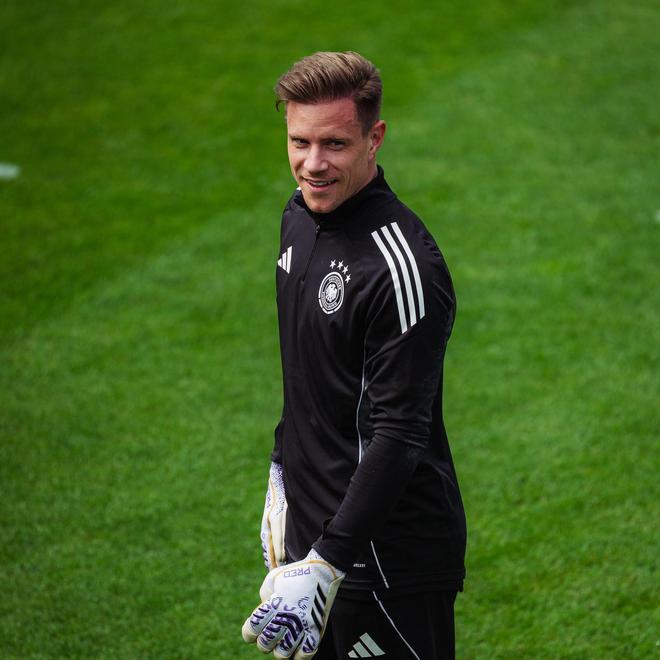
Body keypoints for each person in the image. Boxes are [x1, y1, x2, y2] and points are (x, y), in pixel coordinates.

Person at [242, 51, 467, 660]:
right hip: (309, 552)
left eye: (335, 144)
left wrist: (328, 561)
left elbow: (400, 431)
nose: (312, 164)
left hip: (386, 563)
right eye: (299, 142)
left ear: (375, 138)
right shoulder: (298, 217)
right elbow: (308, 379)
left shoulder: (403, 267)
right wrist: (282, 476)